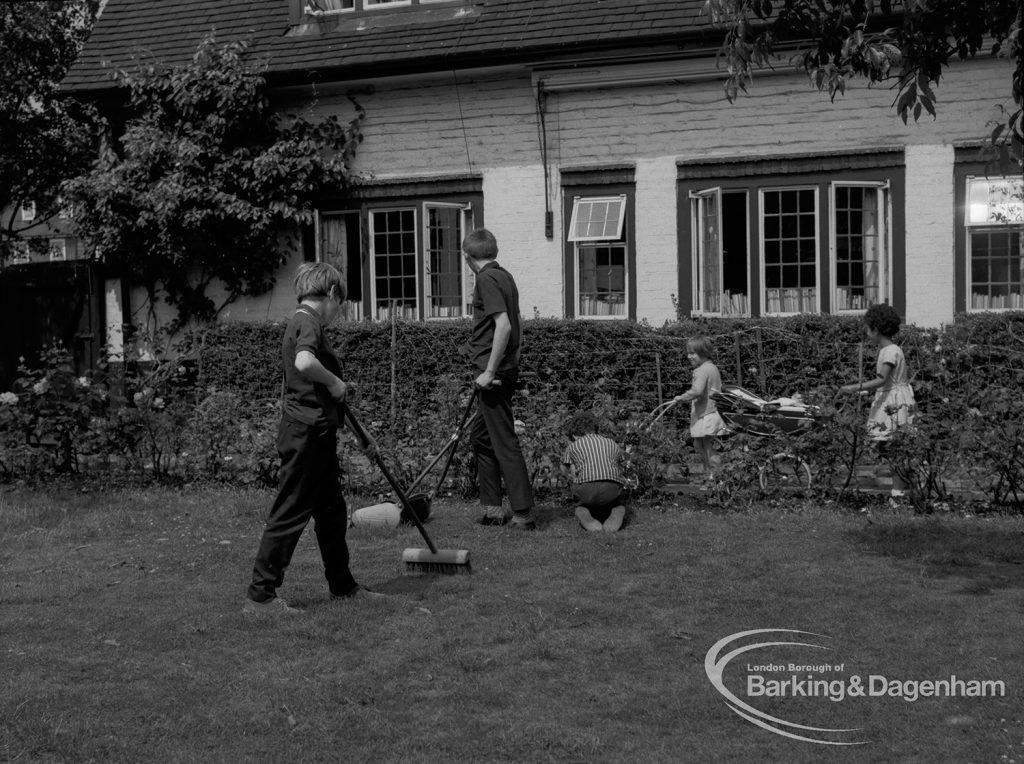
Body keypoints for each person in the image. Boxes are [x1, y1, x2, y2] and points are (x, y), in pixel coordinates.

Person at [244, 262, 379, 615]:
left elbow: (327, 398)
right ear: (332, 294)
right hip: (305, 436)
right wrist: (335, 381)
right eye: (342, 304)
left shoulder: (307, 322)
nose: (339, 313)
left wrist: (361, 435)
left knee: (332, 514)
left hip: (316, 433)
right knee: (290, 513)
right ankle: (261, 597)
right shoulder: (308, 322)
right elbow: (306, 364)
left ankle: (343, 586)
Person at [460, 228, 537, 530]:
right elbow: (517, 322)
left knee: (504, 440)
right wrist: (512, 359)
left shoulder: (486, 279)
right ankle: (492, 508)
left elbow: (503, 326)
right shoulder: (505, 276)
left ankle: (523, 512)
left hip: (491, 374)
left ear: (468, 257)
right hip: (501, 368)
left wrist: (490, 371)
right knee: (481, 437)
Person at [838, 303, 917, 495]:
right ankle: (907, 487)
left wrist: (854, 387)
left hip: (893, 402)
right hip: (894, 396)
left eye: (867, 328)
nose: (865, 332)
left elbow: (882, 380)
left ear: (876, 329)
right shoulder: (891, 349)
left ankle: (899, 492)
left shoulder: (890, 351)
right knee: (889, 447)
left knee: (892, 447)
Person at [560, 411, 627, 532]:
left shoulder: (573, 446)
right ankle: (615, 515)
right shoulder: (612, 443)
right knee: (618, 506)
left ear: (574, 435)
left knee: (581, 507)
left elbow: (566, 470)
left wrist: (573, 482)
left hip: (587, 489)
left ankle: (588, 520)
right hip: (611, 488)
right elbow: (620, 465)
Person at [673, 336, 726, 479]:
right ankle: (712, 475)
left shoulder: (701, 370)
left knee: (708, 447)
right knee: (698, 444)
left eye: (692, 353)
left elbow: (697, 391)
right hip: (712, 412)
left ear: (703, 352)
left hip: (706, 414)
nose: (689, 356)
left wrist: (680, 398)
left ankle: (717, 478)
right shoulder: (712, 367)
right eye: (688, 353)